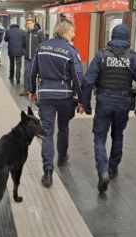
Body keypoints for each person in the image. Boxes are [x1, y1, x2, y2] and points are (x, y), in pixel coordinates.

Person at [82, 24, 136, 193]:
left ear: (112, 36)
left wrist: (87, 104)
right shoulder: (135, 57)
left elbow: (89, 81)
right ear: (127, 38)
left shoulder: (101, 55)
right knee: (118, 134)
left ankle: (102, 170)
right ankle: (112, 168)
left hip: (104, 100)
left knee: (99, 138)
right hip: (124, 102)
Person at [29, 18, 85, 188]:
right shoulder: (70, 50)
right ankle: (62, 157)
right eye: (72, 31)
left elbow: (32, 72)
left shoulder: (42, 47)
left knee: (47, 132)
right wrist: (82, 100)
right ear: (64, 31)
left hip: (45, 94)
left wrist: (32, 90)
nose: (74, 34)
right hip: (65, 96)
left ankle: (47, 171)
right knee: (64, 127)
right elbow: (78, 76)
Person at [20, 18, 45, 96]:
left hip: (36, 58)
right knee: (27, 73)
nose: (29, 25)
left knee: (38, 74)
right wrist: (25, 53)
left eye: (30, 23)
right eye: (27, 24)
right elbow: (23, 45)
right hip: (28, 58)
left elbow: (42, 44)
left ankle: (39, 90)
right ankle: (26, 89)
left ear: (34, 24)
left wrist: (40, 54)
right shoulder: (25, 34)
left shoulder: (39, 33)